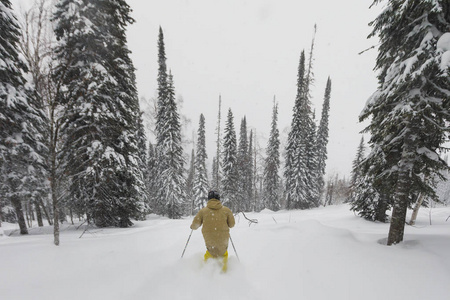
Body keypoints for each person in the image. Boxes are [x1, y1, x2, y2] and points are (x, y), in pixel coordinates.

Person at [190, 190, 235, 272]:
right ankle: (224, 273)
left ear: (209, 199)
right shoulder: (226, 210)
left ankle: (207, 271)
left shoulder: (203, 211)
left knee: (211, 251)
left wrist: (192, 227)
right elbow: (232, 225)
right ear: (219, 199)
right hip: (223, 238)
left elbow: (195, 225)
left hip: (209, 238)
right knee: (223, 252)